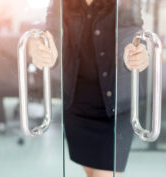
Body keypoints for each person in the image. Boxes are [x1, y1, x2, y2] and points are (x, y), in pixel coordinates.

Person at [28, 0, 149, 176]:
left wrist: (135, 52)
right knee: (91, 172)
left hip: (115, 107)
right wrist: (42, 50)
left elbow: (132, 29)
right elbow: (51, 31)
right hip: (77, 105)